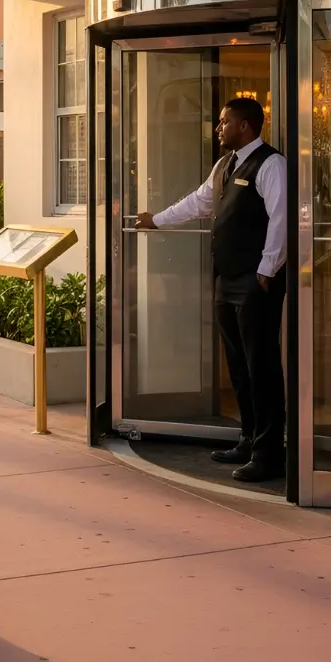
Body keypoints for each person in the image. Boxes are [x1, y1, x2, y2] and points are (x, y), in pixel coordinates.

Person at [136, 96, 287, 483]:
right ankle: (248, 438)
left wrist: (267, 269)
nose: (219, 128)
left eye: (225, 122)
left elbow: (282, 220)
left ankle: (270, 454)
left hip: (256, 281)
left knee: (262, 367)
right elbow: (198, 203)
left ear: (246, 126)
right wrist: (158, 221)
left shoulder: (271, 164)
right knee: (237, 365)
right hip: (227, 279)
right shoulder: (224, 166)